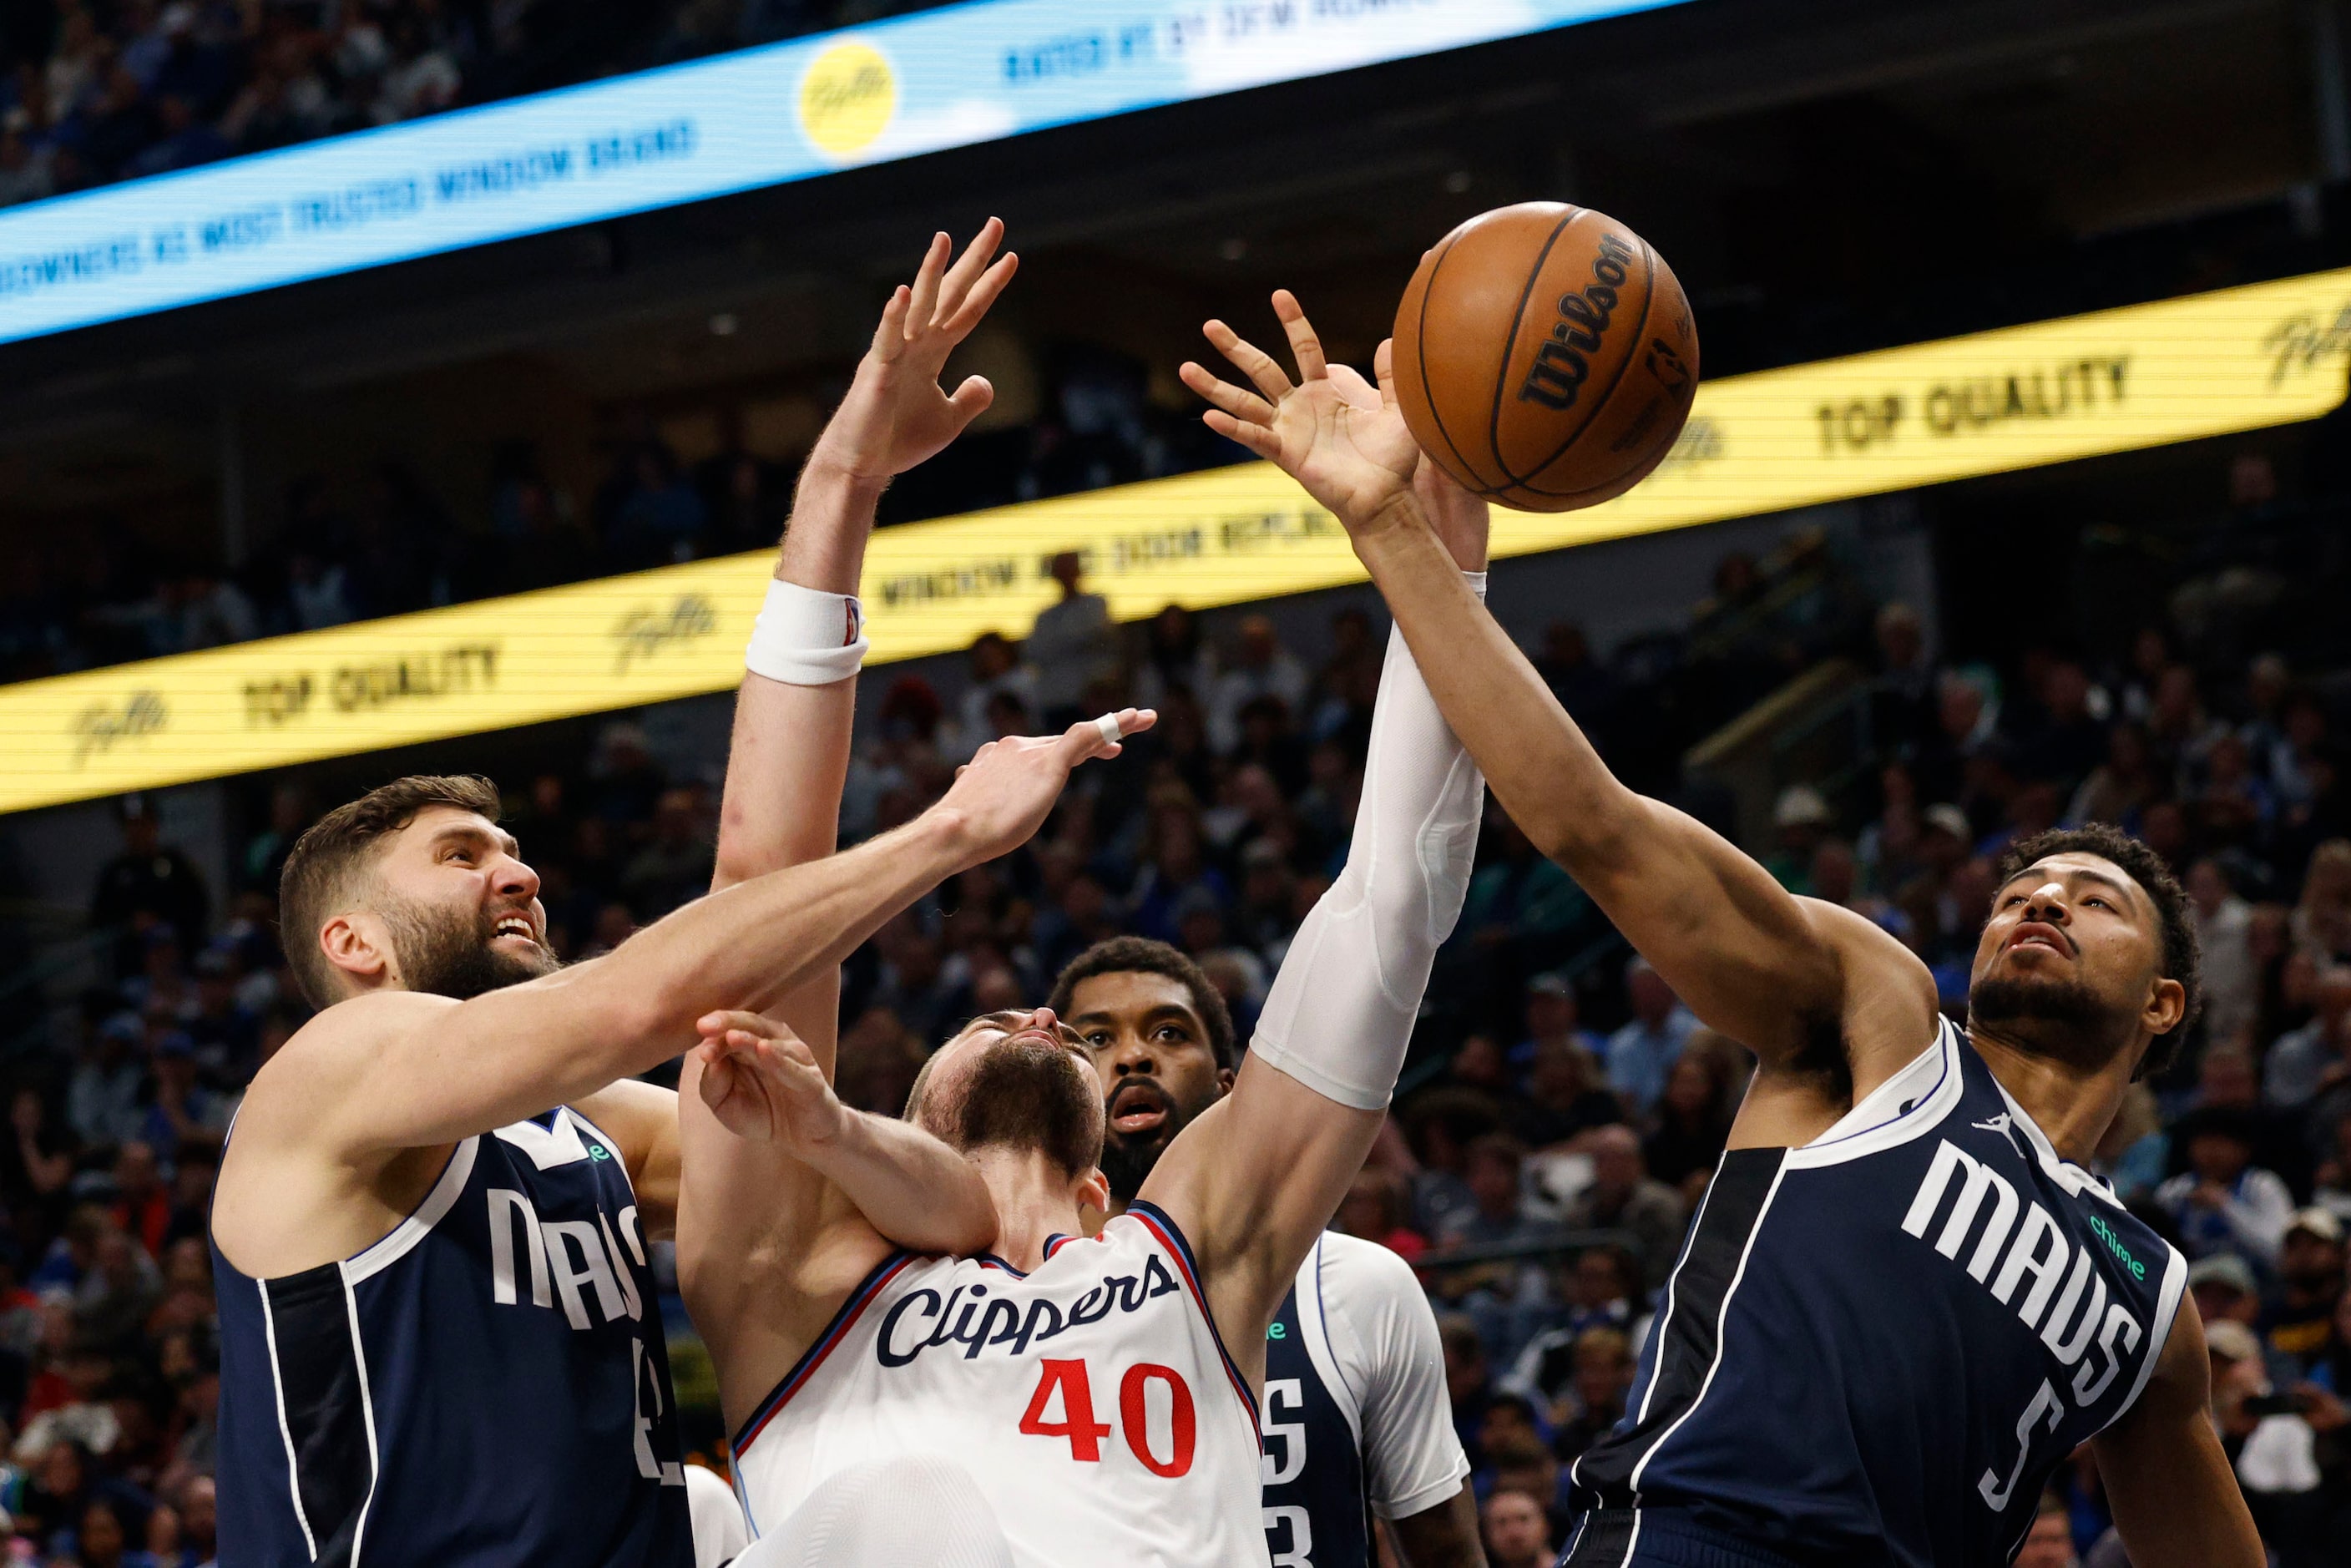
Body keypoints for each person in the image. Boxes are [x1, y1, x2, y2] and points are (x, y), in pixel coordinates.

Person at [1182, 290, 2261, 1565]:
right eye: (2027, 886)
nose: (2042, 900)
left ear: (2165, 1004)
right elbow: (1591, 821)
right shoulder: (1886, 1018)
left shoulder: (2150, 1301)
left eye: (2096, 899)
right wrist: (1390, 525)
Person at [208, 225, 1118, 1565]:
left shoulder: (585, 1136)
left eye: (511, 842)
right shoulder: (329, 1075)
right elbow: (658, 984)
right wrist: (940, 839)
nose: (516, 865)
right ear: (351, 941)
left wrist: (844, 480)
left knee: (874, 1509)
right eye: (462, 855)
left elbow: (951, 1205)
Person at [685, 266, 1487, 1562]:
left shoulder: (1195, 1261)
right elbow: (764, 885)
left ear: (1109, 1189)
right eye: (995, 1012)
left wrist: (1425, 532)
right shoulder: (794, 1284)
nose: (1031, 1014)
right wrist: (840, 481)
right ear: (890, 1135)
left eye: (1046, 1024)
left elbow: (1394, 901)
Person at [1048, 933, 1482, 1568]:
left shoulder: (1358, 1284)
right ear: (1059, 1099)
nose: (1134, 1057)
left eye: (1169, 1033)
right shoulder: (1008, 1291)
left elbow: (1442, 1547)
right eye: (1096, 1039)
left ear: (1231, 1090)